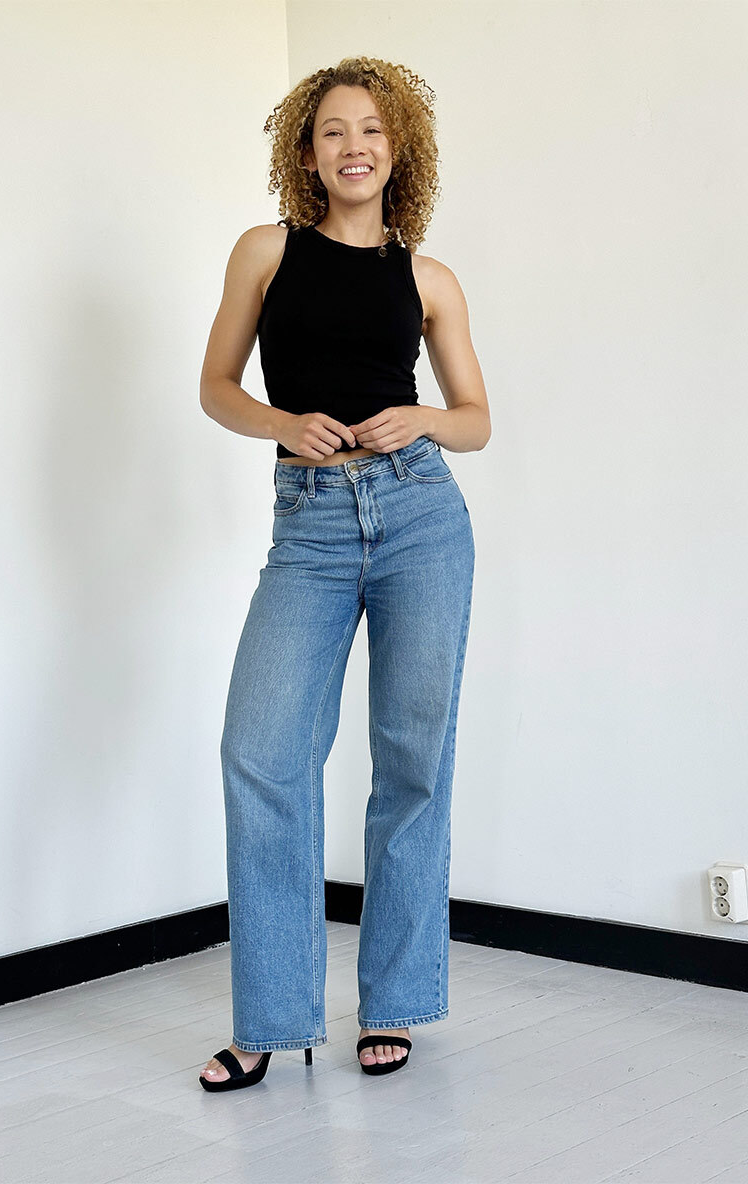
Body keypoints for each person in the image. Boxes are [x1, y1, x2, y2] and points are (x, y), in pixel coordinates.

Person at [198, 56, 491, 1092]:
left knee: (412, 761)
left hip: (420, 516)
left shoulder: (428, 279)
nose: (352, 145)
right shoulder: (265, 251)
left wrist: (424, 418)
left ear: (397, 148)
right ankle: (271, 1016)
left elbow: (476, 421)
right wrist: (282, 423)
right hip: (310, 525)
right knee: (261, 751)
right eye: (331, 130)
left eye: (370, 129)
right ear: (307, 151)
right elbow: (216, 386)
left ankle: (394, 1003)